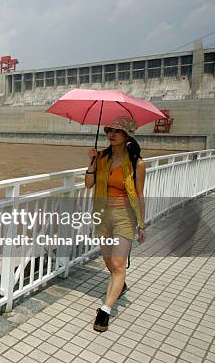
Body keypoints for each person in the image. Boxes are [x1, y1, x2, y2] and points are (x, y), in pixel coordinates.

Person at [84, 115, 147, 332]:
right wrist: (91, 162)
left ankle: (105, 311)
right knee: (109, 261)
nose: (111, 134)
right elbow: (88, 185)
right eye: (109, 130)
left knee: (118, 265)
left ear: (127, 135)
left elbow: (139, 194)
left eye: (117, 131)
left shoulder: (137, 163)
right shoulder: (101, 158)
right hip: (102, 213)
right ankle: (120, 285)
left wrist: (142, 223)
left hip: (124, 216)